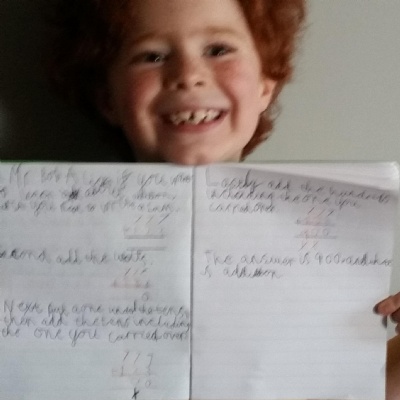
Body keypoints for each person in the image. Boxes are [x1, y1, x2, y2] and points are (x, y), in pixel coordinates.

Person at [46, 0, 400, 397]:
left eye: (218, 50)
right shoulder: (43, 244)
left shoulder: (334, 250)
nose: (188, 76)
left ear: (266, 84)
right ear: (107, 98)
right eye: (152, 56)